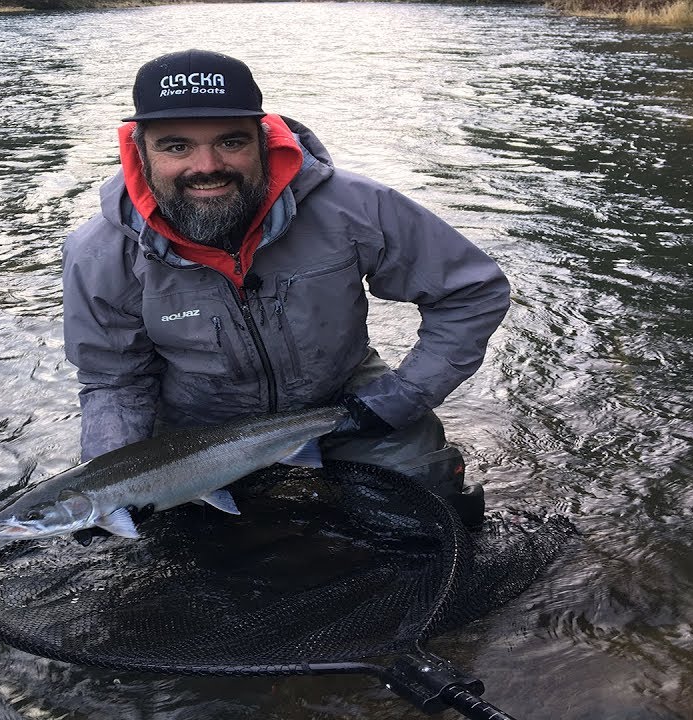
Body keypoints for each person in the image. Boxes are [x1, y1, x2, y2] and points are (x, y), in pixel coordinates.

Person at [62, 49, 509, 517]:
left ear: (263, 139)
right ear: (138, 150)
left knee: (425, 498)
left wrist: (398, 398)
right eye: (176, 146)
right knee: (169, 541)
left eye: (231, 142)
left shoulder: (354, 206)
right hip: (193, 433)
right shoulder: (98, 252)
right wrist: (104, 483)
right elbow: (114, 378)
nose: (207, 165)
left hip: (339, 398)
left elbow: (470, 292)